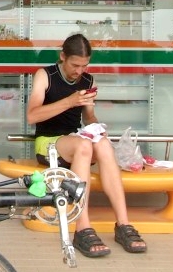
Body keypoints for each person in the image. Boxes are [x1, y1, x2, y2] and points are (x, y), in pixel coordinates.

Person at [27, 33, 146, 257]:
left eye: (85, 65)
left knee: (102, 144)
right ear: (62, 57)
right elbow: (32, 116)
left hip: (77, 139)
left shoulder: (88, 81)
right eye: (75, 65)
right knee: (84, 146)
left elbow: (89, 117)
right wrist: (69, 101)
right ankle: (82, 227)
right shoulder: (45, 76)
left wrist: (96, 126)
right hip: (49, 143)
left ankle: (123, 224)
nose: (79, 71)